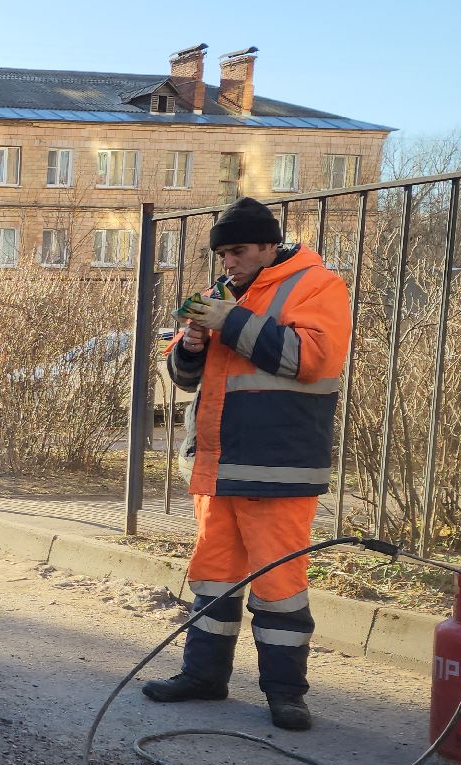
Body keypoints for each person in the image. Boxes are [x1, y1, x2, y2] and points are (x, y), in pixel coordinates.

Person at [145, 197, 353, 731]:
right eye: (221, 255)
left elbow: (310, 359)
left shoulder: (316, 285)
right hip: (219, 466)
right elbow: (186, 378)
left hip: (278, 469)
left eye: (237, 251)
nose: (228, 263)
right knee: (212, 579)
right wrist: (190, 346)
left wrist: (230, 320)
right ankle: (203, 676)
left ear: (268, 245)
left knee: (279, 587)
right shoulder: (225, 295)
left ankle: (286, 694)